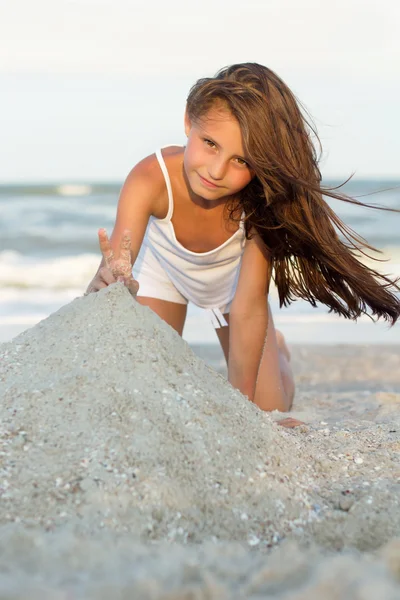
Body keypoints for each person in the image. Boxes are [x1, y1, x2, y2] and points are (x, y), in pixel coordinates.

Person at [85, 62, 400, 415]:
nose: (216, 171)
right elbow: (116, 268)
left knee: (268, 410)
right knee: (144, 397)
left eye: (241, 160)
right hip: (165, 274)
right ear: (189, 121)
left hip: (233, 289)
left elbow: (248, 307)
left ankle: (277, 350)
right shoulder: (149, 177)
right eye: (209, 143)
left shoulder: (261, 206)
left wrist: (244, 412)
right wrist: (110, 284)